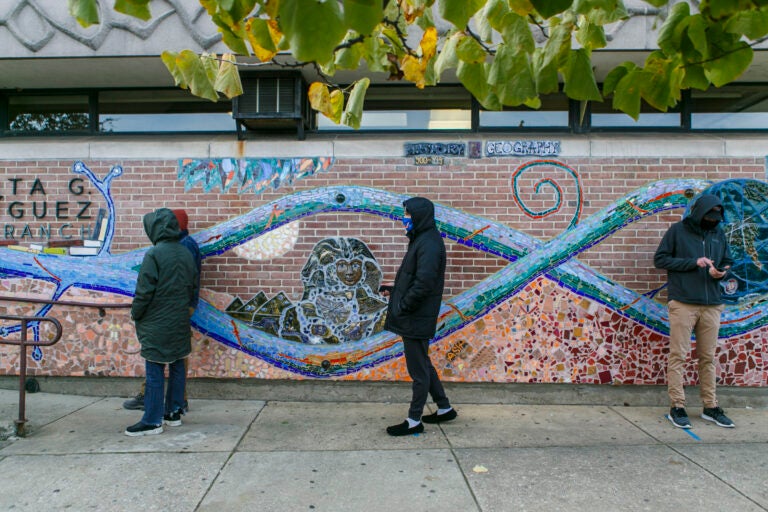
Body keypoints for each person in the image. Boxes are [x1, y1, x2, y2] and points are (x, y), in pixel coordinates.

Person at [654, 194, 735, 429]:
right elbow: (660, 259)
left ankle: (710, 406)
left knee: (708, 358)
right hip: (684, 303)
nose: (713, 221)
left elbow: (728, 261)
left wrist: (723, 272)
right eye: (709, 217)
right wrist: (693, 262)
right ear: (699, 212)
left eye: (716, 218)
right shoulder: (677, 231)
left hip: (712, 304)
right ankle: (677, 406)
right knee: (678, 356)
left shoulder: (718, 233)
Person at [381, 197, 456, 436]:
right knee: (423, 363)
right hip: (415, 314)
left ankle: (414, 420)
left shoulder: (429, 243)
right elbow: (414, 278)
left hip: (416, 316)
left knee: (418, 370)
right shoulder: (422, 240)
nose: (404, 218)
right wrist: (395, 293)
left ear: (419, 215)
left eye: (408, 214)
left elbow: (424, 283)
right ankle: (444, 407)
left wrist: (403, 305)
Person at [125, 208, 199, 436]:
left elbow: (144, 291)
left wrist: (136, 313)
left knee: (155, 368)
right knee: (177, 364)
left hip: (156, 320)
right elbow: (192, 286)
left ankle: (152, 420)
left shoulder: (154, 254)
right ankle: (173, 412)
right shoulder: (186, 252)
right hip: (179, 318)